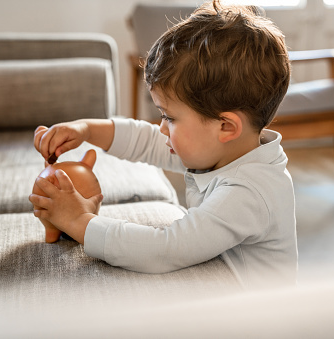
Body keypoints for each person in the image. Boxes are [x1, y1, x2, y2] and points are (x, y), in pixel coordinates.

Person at [30, 0, 297, 289]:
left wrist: (79, 221)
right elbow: (145, 140)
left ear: (226, 127)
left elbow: (166, 248)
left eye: (169, 117)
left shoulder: (249, 191)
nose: (161, 127)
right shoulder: (224, 148)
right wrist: (86, 130)